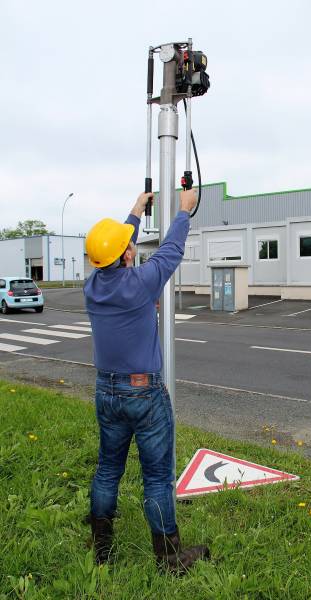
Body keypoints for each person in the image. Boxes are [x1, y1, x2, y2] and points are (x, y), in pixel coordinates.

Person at [83, 189, 210, 574]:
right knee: (157, 477)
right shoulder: (140, 283)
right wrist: (184, 211)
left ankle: (100, 546)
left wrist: (136, 211)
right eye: (128, 246)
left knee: (108, 469)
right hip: (144, 394)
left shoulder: (92, 287)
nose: (131, 247)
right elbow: (170, 250)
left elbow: (116, 249)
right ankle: (170, 559)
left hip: (107, 391)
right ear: (126, 255)